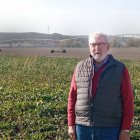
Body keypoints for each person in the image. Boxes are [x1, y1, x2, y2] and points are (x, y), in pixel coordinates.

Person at [67, 32, 134, 140]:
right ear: (89, 47)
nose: (97, 48)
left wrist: (125, 129)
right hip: (83, 128)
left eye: (101, 44)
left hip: (110, 128)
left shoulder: (119, 68)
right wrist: (71, 124)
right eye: (93, 44)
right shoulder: (80, 67)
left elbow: (128, 100)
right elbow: (72, 97)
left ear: (108, 46)